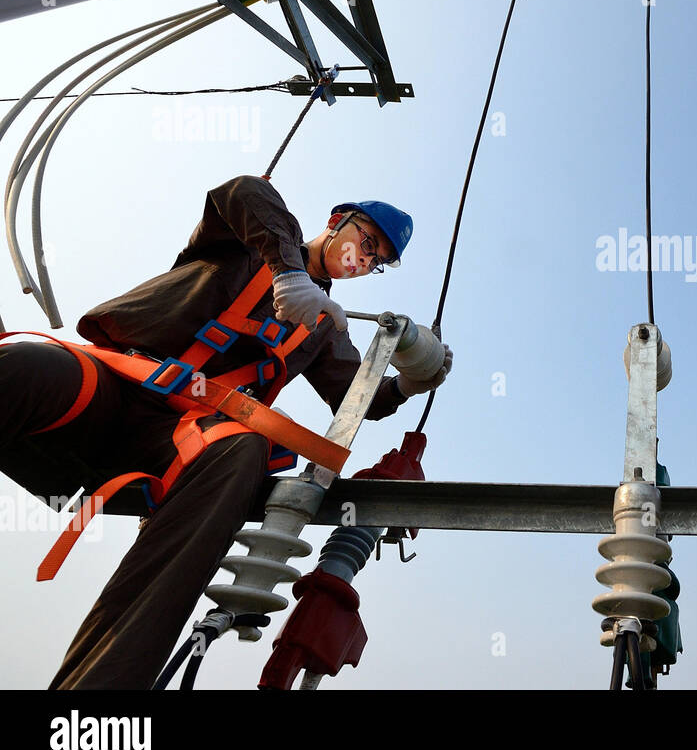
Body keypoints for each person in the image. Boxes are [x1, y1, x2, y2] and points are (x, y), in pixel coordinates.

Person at [0, 175, 452, 689]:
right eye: (366, 242)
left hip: (177, 437)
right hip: (113, 382)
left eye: (374, 261)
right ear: (336, 222)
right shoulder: (246, 241)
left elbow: (357, 397)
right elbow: (240, 192)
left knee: (243, 450)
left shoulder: (323, 326)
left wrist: (410, 383)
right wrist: (287, 273)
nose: (361, 261)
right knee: (28, 366)